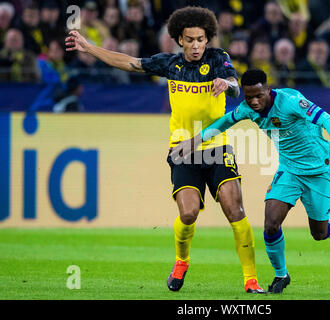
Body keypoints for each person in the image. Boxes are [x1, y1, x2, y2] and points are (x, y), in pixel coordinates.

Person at [65, 6, 264, 294]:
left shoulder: (219, 59)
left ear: (208, 39)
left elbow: (234, 84)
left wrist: (228, 83)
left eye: (201, 39)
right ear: (179, 39)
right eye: (190, 39)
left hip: (217, 147)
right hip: (182, 149)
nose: (196, 45)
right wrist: (89, 47)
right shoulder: (169, 65)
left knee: (235, 210)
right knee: (188, 214)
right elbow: (129, 62)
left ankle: (250, 280)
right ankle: (181, 262)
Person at [171, 68, 330, 294]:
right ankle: (281, 275)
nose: (254, 102)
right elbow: (224, 122)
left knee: (319, 233)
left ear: (268, 89)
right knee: (270, 223)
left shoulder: (290, 103)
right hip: (289, 171)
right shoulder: (248, 109)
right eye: (249, 97)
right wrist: (194, 141)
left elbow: (329, 121)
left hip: (319, 171)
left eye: (259, 95)